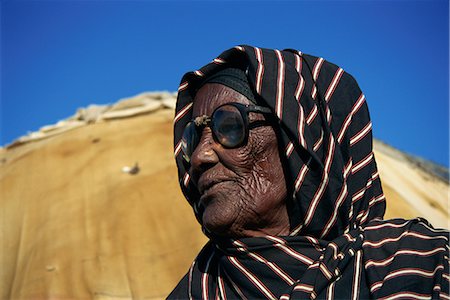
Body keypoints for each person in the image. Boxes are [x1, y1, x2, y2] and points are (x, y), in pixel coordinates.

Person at [169, 45, 449, 299]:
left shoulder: (422, 266)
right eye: (192, 138)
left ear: (306, 140)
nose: (198, 157)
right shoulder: (196, 292)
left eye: (229, 126)